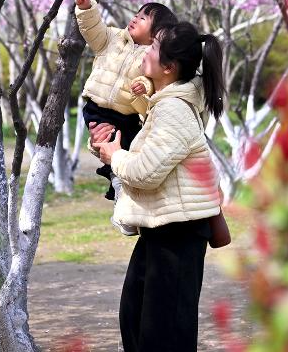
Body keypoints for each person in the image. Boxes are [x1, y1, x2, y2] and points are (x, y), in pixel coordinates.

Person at [91, 21, 224, 352]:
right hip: (163, 230)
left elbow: (145, 172)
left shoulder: (173, 110)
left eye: (153, 48)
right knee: (136, 321)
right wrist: (109, 149)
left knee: (163, 336)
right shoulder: (163, 103)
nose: (145, 51)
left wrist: (115, 155)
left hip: (178, 235)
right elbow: (149, 161)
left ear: (168, 67)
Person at [75, 0, 177, 234]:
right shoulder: (112, 38)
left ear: (156, 34)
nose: (134, 19)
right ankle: (121, 198)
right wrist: (86, 8)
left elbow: (151, 81)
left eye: (143, 19)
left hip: (128, 116)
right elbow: (93, 29)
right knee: (113, 153)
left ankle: (127, 203)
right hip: (98, 109)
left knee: (127, 157)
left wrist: (143, 86)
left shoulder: (153, 56)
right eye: (136, 14)